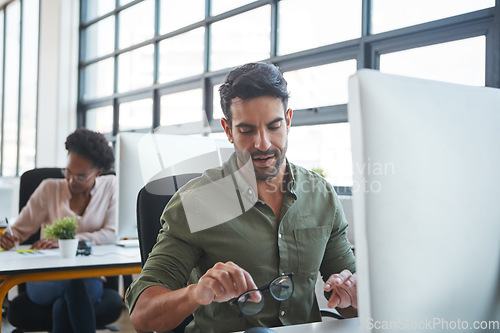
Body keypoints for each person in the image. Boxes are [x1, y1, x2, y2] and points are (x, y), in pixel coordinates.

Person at [125, 62, 357, 333]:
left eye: (274, 126)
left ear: (289, 121)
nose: (263, 143)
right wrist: (195, 294)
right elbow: (142, 315)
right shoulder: (196, 203)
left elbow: (349, 303)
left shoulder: (322, 196)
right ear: (228, 130)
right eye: (247, 130)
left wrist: (352, 295)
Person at [0, 128, 116, 333]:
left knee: (66, 301)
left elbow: (112, 233)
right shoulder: (49, 189)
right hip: (45, 279)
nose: (71, 181)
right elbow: (19, 231)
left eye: (81, 177)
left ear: (98, 171)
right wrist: (11, 238)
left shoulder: (110, 186)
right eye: (68, 172)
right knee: (74, 286)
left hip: (89, 277)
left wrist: (68, 241)